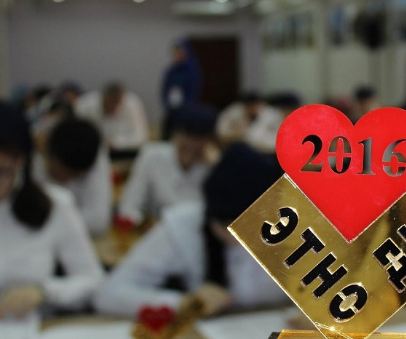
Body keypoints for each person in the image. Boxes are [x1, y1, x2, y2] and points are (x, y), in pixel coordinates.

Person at [94, 143, 289, 318]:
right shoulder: (184, 225)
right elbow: (109, 294)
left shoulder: (293, 226)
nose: (235, 238)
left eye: (249, 227)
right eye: (225, 225)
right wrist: (183, 303)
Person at [0, 98, 103, 318]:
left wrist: (45, 291)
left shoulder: (55, 205)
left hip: (34, 329)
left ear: (19, 160)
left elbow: (93, 281)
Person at [117, 105, 218, 226]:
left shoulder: (213, 165)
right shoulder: (152, 156)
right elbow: (128, 208)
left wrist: (219, 167)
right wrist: (146, 223)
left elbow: (224, 216)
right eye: (187, 135)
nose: (192, 144)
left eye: (200, 138)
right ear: (175, 135)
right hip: (158, 230)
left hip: (198, 233)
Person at [33, 118, 113, 236]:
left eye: (74, 176)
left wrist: (50, 222)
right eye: (60, 172)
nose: (65, 180)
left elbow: (98, 221)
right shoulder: (30, 156)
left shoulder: (93, 154)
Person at [75, 82, 149, 153]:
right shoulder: (85, 105)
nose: (113, 107)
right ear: (103, 97)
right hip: (91, 150)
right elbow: (77, 133)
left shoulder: (132, 104)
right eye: (110, 102)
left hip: (124, 152)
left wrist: (116, 143)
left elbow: (140, 136)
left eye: (117, 103)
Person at [216, 93, 283, 154]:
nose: (252, 109)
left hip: (265, 153)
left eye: (255, 105)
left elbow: (276, 142)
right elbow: (221, 134)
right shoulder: (234, 112)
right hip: (238, 150)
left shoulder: (270, 115)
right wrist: (234, 135)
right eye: (250, 106)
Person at [161, 40, 203, 139]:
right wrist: (167, 104)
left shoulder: (192, 70)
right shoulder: (171, 71)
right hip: (172, 108)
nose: (177, 55)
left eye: (180, 52)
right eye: (175, 53)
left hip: (187, 109)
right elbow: (165, 89)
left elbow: (193, 90)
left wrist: (186, 106)